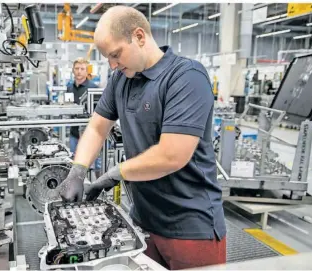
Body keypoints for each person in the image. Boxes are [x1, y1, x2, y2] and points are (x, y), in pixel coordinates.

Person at [57, 6, 226, 270]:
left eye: (115, 55)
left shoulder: (186, 77)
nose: (112, 65)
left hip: (191, 227)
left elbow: (171, 155)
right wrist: (77, 171)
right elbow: (97, 127)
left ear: (139, 37)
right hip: (142, 221)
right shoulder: (120, 80)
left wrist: (112, 174)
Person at [67, 57, 98, 155]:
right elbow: (68, 106)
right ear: (73, 70)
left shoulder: (93, 88)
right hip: (74, 133)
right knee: (73, 160)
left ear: (86, 71)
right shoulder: (69, 87)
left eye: (82, 69)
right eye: (76, 68)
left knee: (90, 162)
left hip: (89, 133)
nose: (79, 71)